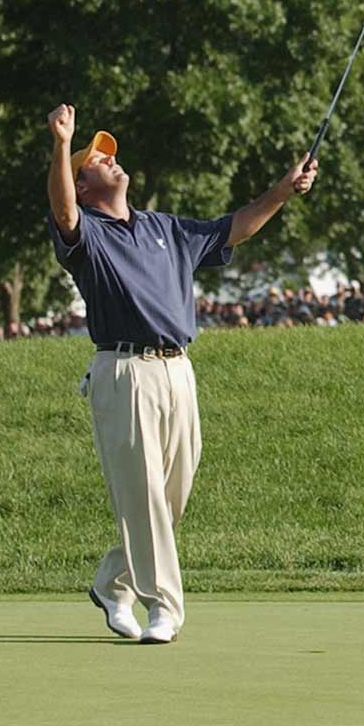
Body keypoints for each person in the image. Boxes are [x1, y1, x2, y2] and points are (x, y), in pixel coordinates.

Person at [46, 104, 316, 645]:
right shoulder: (88, 234)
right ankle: (164, 608)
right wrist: (61, 143)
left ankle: (112, 582)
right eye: (97, 159)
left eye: (109, 154)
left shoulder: (165, 228)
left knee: (171, 496)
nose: (112, 160)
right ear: (81, 181)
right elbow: (63, 210)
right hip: (124, 370)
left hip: (178, 370)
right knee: (144, 494)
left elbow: (234, 228)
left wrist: (281, 193)